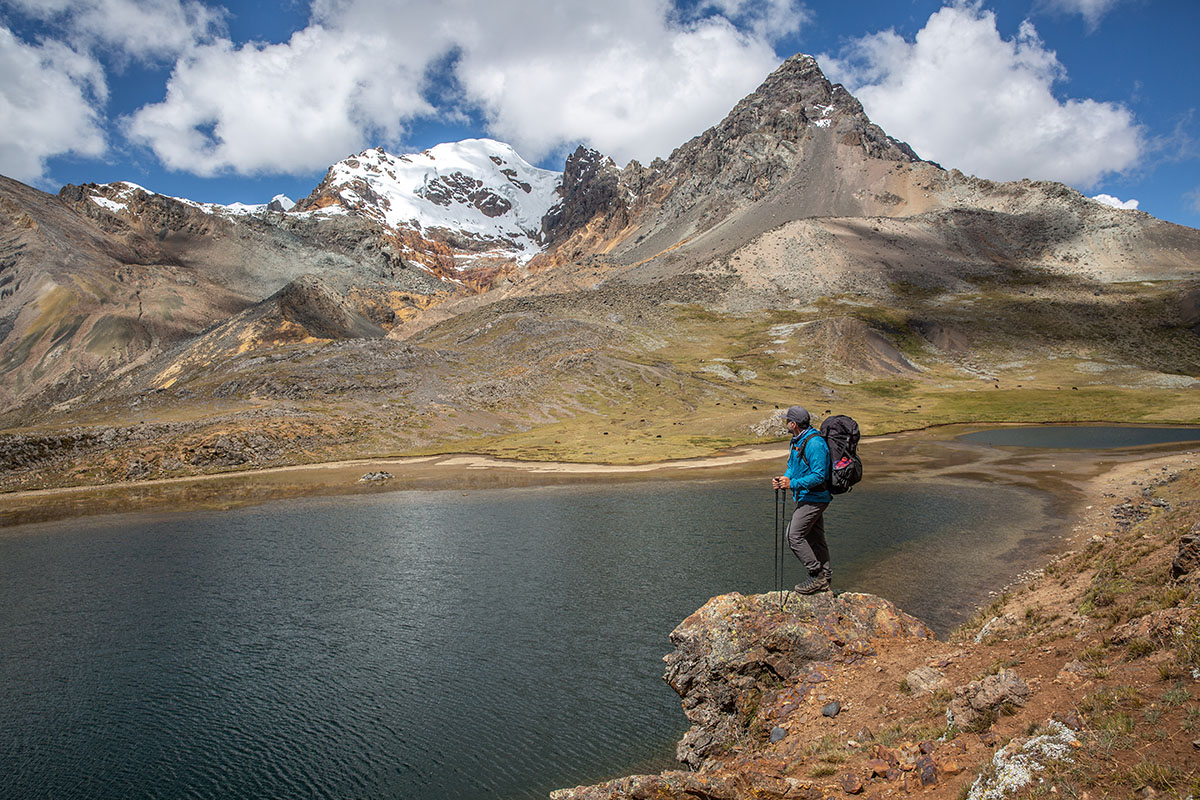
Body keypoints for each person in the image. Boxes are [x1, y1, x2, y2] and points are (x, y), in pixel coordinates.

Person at [771, 405, 833, 594]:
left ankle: (816, 575)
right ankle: (826, 577)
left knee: (793, 535)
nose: (785, 423)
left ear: (794, 424)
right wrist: (784, 479)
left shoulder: (814, 444)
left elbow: (819, 476)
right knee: (816, 538)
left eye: (787, 421)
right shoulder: (797, 440)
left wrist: (792, 484)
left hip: (816, 498)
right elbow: (792, 465)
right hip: (807, 496)